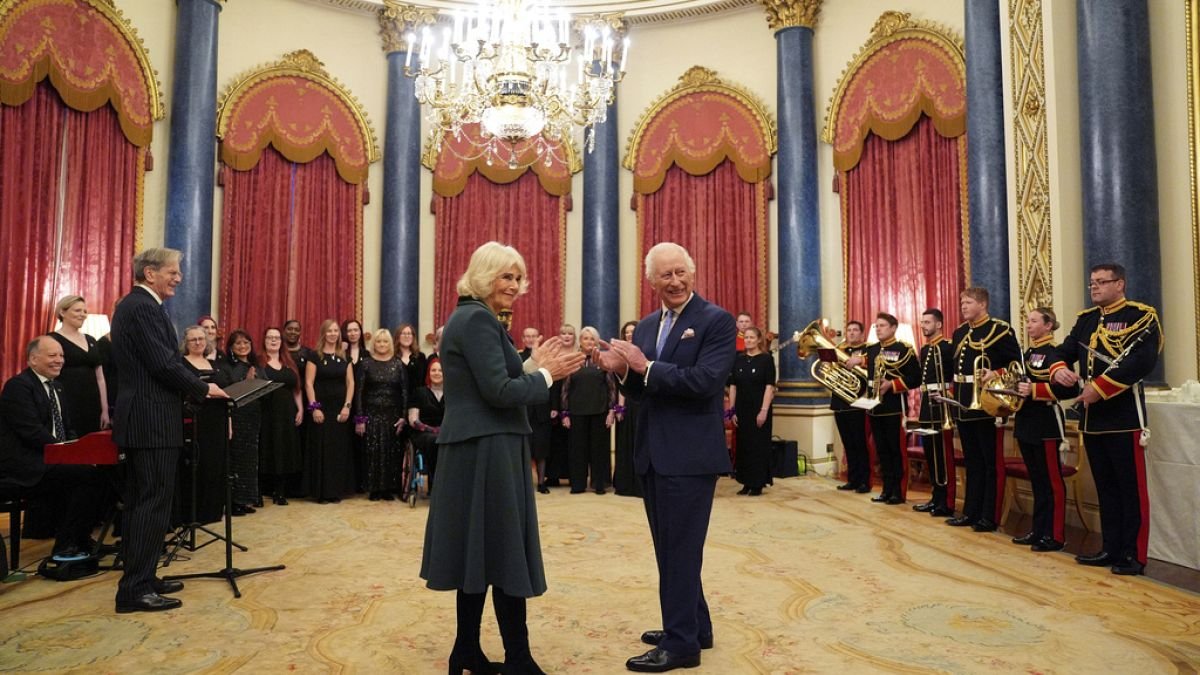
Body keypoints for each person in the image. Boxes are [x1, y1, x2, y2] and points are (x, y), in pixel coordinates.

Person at [419, 241, 583, 674]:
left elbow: (493, 380)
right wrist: (546, 374)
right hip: (485, 448)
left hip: (483, 446)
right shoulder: (476, 320)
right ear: (483, 274)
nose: (514, 284)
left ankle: (467, 652)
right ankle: (518, 659)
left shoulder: (474, 317)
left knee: (482, 552)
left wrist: (529, 364)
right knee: (504, 550)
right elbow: (499, 392)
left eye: (517, 276)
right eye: (505, 275)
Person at [594, 242, 735, 672]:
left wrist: (645, 366)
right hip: (654, 454)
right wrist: (620, 370)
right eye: (665, 275)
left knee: (680, 549)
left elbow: (706, 382)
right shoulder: (650, 323)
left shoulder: (717, 321)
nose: (674, 282)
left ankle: (681, 646)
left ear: (692, 274)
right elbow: (642, 391)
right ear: (651, 281)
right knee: (672, 547)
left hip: (691, 457)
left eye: (681, 273)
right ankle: (695, 627)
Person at [111, 247, 226, 613]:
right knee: (151, 504)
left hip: (150, 417)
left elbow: (163, 362)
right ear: (150, 273)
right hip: (150, 420)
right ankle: (134, 590)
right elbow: (163, 363)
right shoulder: (141, 307)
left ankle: (143, 576)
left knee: (145, 502)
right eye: (172, 272)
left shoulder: (142, 306)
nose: (178, 278)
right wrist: (201, 387)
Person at [1050, 263, 1162, 575]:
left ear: (1120, 284)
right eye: (1092, 283)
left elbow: (1142, 362)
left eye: (1101, 282)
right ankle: (1110, 548)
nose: (1095, 288)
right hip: (1093, 419)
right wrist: (1058, 369)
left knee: (1130, 489)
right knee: (1106, 488)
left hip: (1124, 416)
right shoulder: (1086, 321)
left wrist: (1100, 389)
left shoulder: (1141, 316)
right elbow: (1062, 351)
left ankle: (1133, 554)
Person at [0, 336, 106, 560]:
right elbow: (31, 432)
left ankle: (79, 538)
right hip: (26, 465)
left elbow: (68, 429)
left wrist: (79, 452)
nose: (59, 360)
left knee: (98, 472)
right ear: (33, 359)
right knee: (86, 476)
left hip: (53, 458)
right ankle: (66, 546)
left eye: (61, 355)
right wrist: (66, 454)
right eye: (52, 355)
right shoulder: (18, 387)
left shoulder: (57, 386)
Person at [946, 287, 1021, 532]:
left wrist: (995, 373)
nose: (963, 306)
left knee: (990, 463)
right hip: (965, 402)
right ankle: (971, 511)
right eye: (962, 302)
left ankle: (990, 516)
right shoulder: (959, 332)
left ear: (983, 304)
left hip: (989, 404)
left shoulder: (1000, 329)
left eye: (967, 302)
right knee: (972, 461)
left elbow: (1016, 364)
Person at [1012, 308, 1074, 553]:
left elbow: (1069, 390)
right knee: (1037, 480)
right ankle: (1039, 530)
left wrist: (1035, 392)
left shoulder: (1055, 353)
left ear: (1048, 325)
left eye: (1034, 321)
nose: (1028, 325)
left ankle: (1055, 535)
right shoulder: (1028, 353)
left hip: (1047, 422)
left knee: (1052, 481)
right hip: (1026, 420)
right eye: (1028, 321)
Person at [847, 313, 921, 505]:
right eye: (876, 326)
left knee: (895, 450)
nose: (878, 329)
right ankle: (886, 490)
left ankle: (898, 491)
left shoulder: (904, 349)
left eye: (882, 326)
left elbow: (915, 378)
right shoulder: (872, 349)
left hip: (893, 408)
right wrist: (856, 361)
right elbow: (867, 365)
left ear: (893, 328)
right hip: (874, 407)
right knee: (882, 451)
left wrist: (893, 385)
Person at [180, 326, 231, 525]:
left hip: (218, 421)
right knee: (197, 466)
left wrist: (229, 423)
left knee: (215, 466)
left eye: (201, 339)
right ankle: (194, 514)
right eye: (193, 340)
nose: (198, 342)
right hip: (195, 421)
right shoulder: (182, 365)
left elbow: (225, 395)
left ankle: (212, 511)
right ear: (186, 343)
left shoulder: (213, 364)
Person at [305, 319, 357, 503]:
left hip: (340, 409)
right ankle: (322, 492)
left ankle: (336, 491)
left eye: (336, 331)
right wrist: (314, 408)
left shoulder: (345, 357)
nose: (333, 334)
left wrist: (347, 406)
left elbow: (351, 383)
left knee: (337, 451)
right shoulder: (314, 356)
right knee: (322, 450)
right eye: (329, 331)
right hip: (321, 408)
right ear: (323, 334)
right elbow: (309, 383)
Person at [561, 326, 618, 495]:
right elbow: (565, 388)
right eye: (585, 338)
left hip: (599, 411)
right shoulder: (573, 360)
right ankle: (578, 484)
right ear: (580, 341)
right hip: (577, 412)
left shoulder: (602, 360)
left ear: (596, 342)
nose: (588, 341)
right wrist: (565, 412)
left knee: (599, 450)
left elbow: (611, 387)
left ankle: (599, 484)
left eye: (592, 339)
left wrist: (611, 411)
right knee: (577, 450)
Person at [354, 329, 408, 501]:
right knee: (373, 452)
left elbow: (405, 392)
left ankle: (388, 488)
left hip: (392, 415)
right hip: (371, 414)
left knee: (391, 451)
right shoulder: (366, 364)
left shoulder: (398, 364)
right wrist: (360, 418)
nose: (382, 345)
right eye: (379, 341)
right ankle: (374, 488)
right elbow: (359, 392)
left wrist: (403, 416)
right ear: (373, 344)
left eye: (385, 341)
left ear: (390, 344)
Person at [913, 309, 956, 517]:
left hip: (941, 404)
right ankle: (935, 497)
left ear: (939, 324)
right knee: (930, 454)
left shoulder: (947, 347)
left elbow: (956, 377)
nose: (923, 325)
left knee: (942, 455)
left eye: (928, 322)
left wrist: (947, 392)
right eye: (922, 322)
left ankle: (946, 501)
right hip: (926, 405)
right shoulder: (925, 349)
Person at [257, 327, 304, 506]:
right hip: (266, 413)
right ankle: (259, 493)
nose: (274, 340)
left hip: (287, 413)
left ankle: (280, 492)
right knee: (265, 450)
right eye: (270, 337)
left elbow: (297, 389)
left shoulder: (288, 362)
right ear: (264, 340)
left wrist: (300, 409)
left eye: (277, 338)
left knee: (283, 451)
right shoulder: (259, 362)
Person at [51, 295, 110, 434]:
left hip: (92, 405)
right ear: (62, 312)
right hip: (67, 404)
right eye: (78, 310)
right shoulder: (52, 340)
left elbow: (100, 378)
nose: (83, 315)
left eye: (84, 311)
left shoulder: (91, 340)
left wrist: (105, 410)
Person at [728, 326, 776, 496]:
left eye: (751, 337)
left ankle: (757, 483)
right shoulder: (738, 359)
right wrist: (732, 411)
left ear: (758, 340)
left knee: (758, 446)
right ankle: (746, 482)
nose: (748, 340)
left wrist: (763, 410)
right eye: (746, 337)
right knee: (744, 446)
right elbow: (733, 386)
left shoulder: (766, 359)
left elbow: (769, 387)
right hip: (741, 410)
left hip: (759, 409)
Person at [221, 329, 262, 514]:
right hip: (236, 416)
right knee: (236, 459)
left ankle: (246, 499)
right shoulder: (227, 367)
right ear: (230, 347)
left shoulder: (256, 365)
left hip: (254, 416)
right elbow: (229, 392)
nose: (243, 346)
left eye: (246, 342)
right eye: (238, 343)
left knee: (250, 460)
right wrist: (247, 382)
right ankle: (234, 502)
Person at [829, 321, 871, 493]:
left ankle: (864, 481)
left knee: (859, 443)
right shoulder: (841, 350)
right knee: (848, 443)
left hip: (858, 402)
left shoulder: (868, 350)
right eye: (849, 330)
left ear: (862, 334)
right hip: (840, 402)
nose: (852, 333)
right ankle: (852, 479)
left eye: (855, 330)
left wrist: (860, 361)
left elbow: (875, 366)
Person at [519, 327, 553, 494]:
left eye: (533, 336)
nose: (530, 339)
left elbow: (553, 383)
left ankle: (541, 482)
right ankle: (525, 484)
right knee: (525, 450)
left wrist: (553, 406)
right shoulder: (517, 357)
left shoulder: (545, 358)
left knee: (541, 449)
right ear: (523, 339)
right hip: (524, 410)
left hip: (542, 409)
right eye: (527, 336)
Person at [612, 320, 643, 498]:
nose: (630, 335)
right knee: (626, 443)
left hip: (642, 402)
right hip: (627, 403)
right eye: (627, 332)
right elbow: (620, 382)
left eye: (633, 331)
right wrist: (620, 407)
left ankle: (640, 485)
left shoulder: (644, 351)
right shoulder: (620, 353)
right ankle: (625, 484)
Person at [544, 324, 577, 487]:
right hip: (556, 403)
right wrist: (554, 407)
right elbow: (551, 384)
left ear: (574, 337)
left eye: (570, 334)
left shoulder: (579, 354)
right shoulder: (553, 355)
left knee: (573, 442)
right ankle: (553, 475)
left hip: (575, 404)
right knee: (555, 442)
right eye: (563, 333)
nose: (566, 336)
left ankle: (573, 474)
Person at [408, 357, 445, 494]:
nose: (436, 373)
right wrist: (431, 429)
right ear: (428, 373)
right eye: (433, 370)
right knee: (434, 440)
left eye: (440, 370)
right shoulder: (420, 392)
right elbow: (413, 420)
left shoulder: (452, 393)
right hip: (423, 432)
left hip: (446, 430)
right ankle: (436, 484)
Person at [394, 323, 427, 400]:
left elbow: (424, 380)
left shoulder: (420, 357)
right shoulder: (392, 357)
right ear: (398, 337)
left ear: (413, 337)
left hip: (417, 400)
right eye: (403, 334)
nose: (407, 336)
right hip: (396, 399)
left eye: (409, 334)